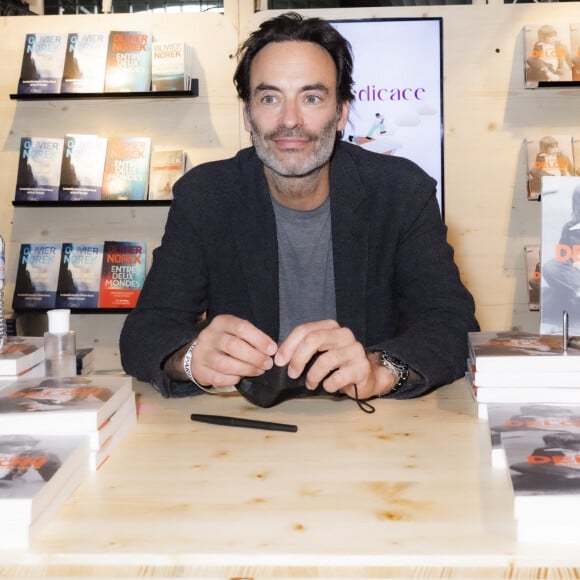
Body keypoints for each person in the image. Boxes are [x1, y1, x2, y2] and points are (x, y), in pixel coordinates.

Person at [119, 12, 478, 404]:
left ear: (341, 113)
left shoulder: (401, 192)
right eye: (270, 98)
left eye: (311, 97)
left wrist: (380, 369)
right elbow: (144, 331)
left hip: (372, 429)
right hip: (246, 431)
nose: (290, 121)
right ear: (248, 114)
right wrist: (190, 358)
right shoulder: (206, 196)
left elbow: (453, 325)